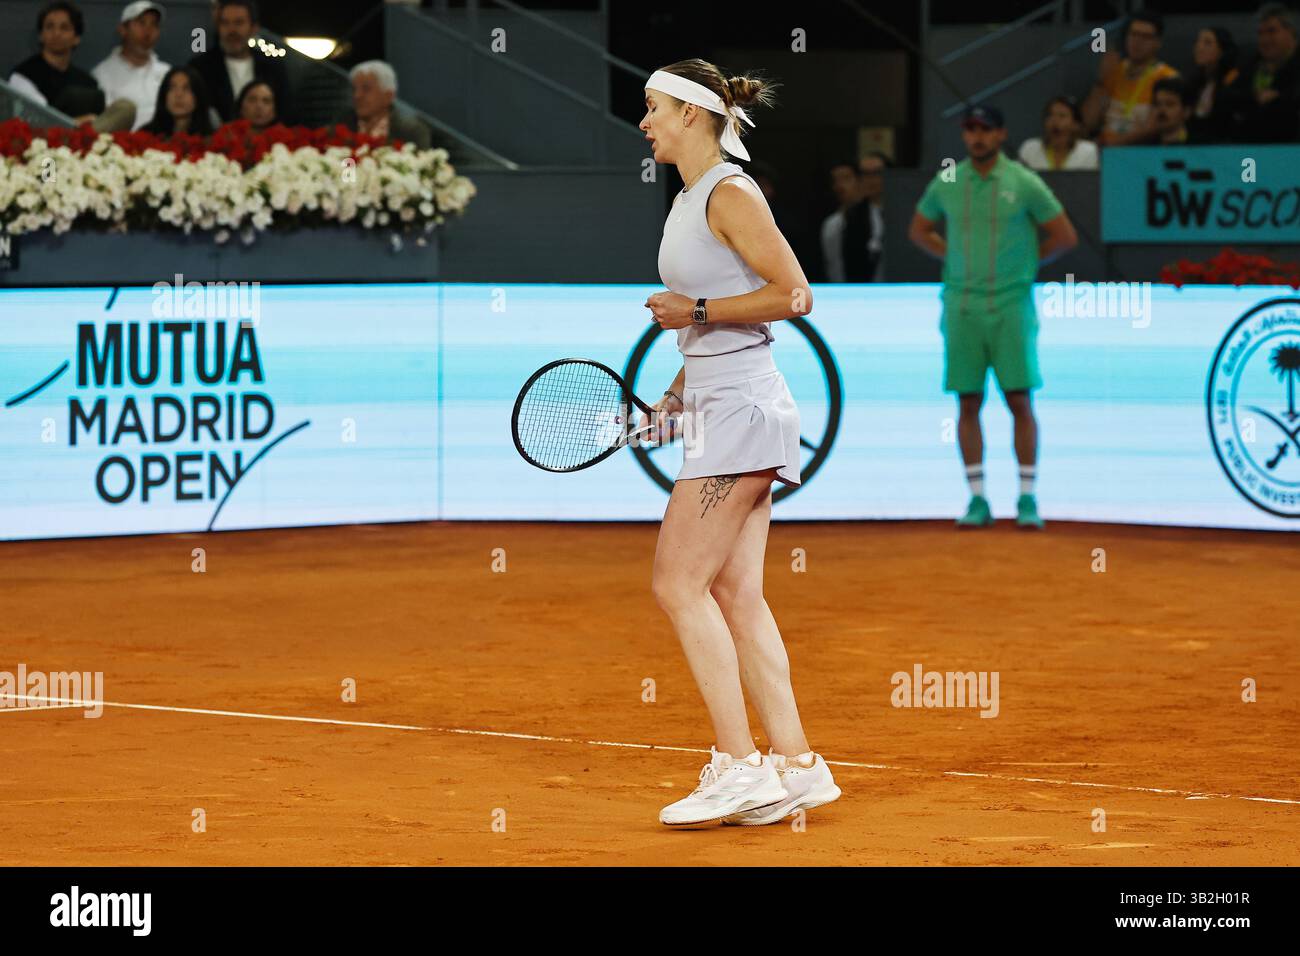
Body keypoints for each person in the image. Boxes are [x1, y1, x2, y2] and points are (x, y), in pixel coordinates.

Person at [637, 58, 840, 827]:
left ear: (692, 113)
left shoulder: (727, 191)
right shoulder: (693, 199)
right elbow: (726, 321)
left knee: (677, 583)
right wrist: (674, 398)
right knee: (736, 592)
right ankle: (795, 765)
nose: (646, 120)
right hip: (725, 405)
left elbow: (793, 295)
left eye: (654, 107)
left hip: (743, 418)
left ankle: (738, 766)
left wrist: (692, 310)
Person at [908, 105, 1078, 530]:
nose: (977, 137)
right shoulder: (948, 179)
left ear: (1001, 135)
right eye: (970, 130)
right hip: (962, 304)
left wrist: (1024, 266)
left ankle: (1027, 498)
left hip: (1011, 304)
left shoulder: (1024, 182)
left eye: (985, 130)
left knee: (1020, 399)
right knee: (968, 400)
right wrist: (955, 258)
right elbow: (918, 229)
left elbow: (1065, 235)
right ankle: (978, 499)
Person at [8, 1, 137, 132]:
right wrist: (77, 123)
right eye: (49, 27)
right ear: (41, 35)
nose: (56, 33)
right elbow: (38, 120)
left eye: (64, 28)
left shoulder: (88, 82)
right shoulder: (23, 75)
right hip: (46, 141)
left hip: (90, 143)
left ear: (76, 38)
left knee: (125, 108)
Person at [1082, 9, 1179, 146]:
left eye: (1145, 37)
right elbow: (1087, 123)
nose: (1137, 42)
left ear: (1158, 42)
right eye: (1134, 34)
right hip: (1103, 150)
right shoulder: (1113, 71)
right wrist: (1101, 81)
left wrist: (1110, 145)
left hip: (1139, 152)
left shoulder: (1168, 78)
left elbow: (1154, 128)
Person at [189, 0, 290, 124]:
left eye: (239, 23)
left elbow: (285, 113)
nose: (231, 30)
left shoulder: (273, 68)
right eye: (225, 23)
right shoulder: (200, 68)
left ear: (254, 28)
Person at [91, 1, 170, 132]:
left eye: (154, 24)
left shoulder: (167, 72)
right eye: (141, 23)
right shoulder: (102, 74)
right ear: (123, 29)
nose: (148, 30)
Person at [1227, 3, 1300, 143]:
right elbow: (1227, 97)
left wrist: (1278, 98)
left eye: (1272, 31)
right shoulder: (1249, 64)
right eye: (1260, 33)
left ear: (1291, 32)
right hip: (1251, 149)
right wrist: (1255, 97)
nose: (1265, 39)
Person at [344, 61, 433, 149]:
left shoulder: (412, 131)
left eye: (366, 89)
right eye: (354, 89)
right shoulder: (343, 123)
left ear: (388, 96)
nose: (357, 95)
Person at [1186, 26, 1240, 143]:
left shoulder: (1234, 80)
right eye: (1198, 42)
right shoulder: (1193, 84)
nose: (1199, 47)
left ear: (1222, 51)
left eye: (1207, 43)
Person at [1018, 96, 1099, 170]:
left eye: (1062, 116)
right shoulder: (1029, 149)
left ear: (1076, 125)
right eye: (1050, 115)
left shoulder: (1088, 151)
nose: (1054, 120)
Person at [844, 151, 888, 281]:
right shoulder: (852, 216)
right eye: (865, 174)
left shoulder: (904, 213)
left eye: (877, 173)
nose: (871, 180)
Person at [819, 162, 864, 282]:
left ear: (860, 181)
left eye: (846, 178)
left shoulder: (876, 219)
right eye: (835, 180)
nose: (839, 185)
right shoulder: (830, 224)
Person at [142, 65, 214, 136]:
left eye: (186, 88)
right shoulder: (145, 135)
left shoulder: (211, 140)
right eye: (172, 88)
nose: (178, 94)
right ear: (164, 95)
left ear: (198, 96)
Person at [1151, 77, 1206, 144]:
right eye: (1157, 104)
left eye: (1169, 104)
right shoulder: (1144, 146)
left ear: (1186, 112)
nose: (1161, 110)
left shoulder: (1200, 146)